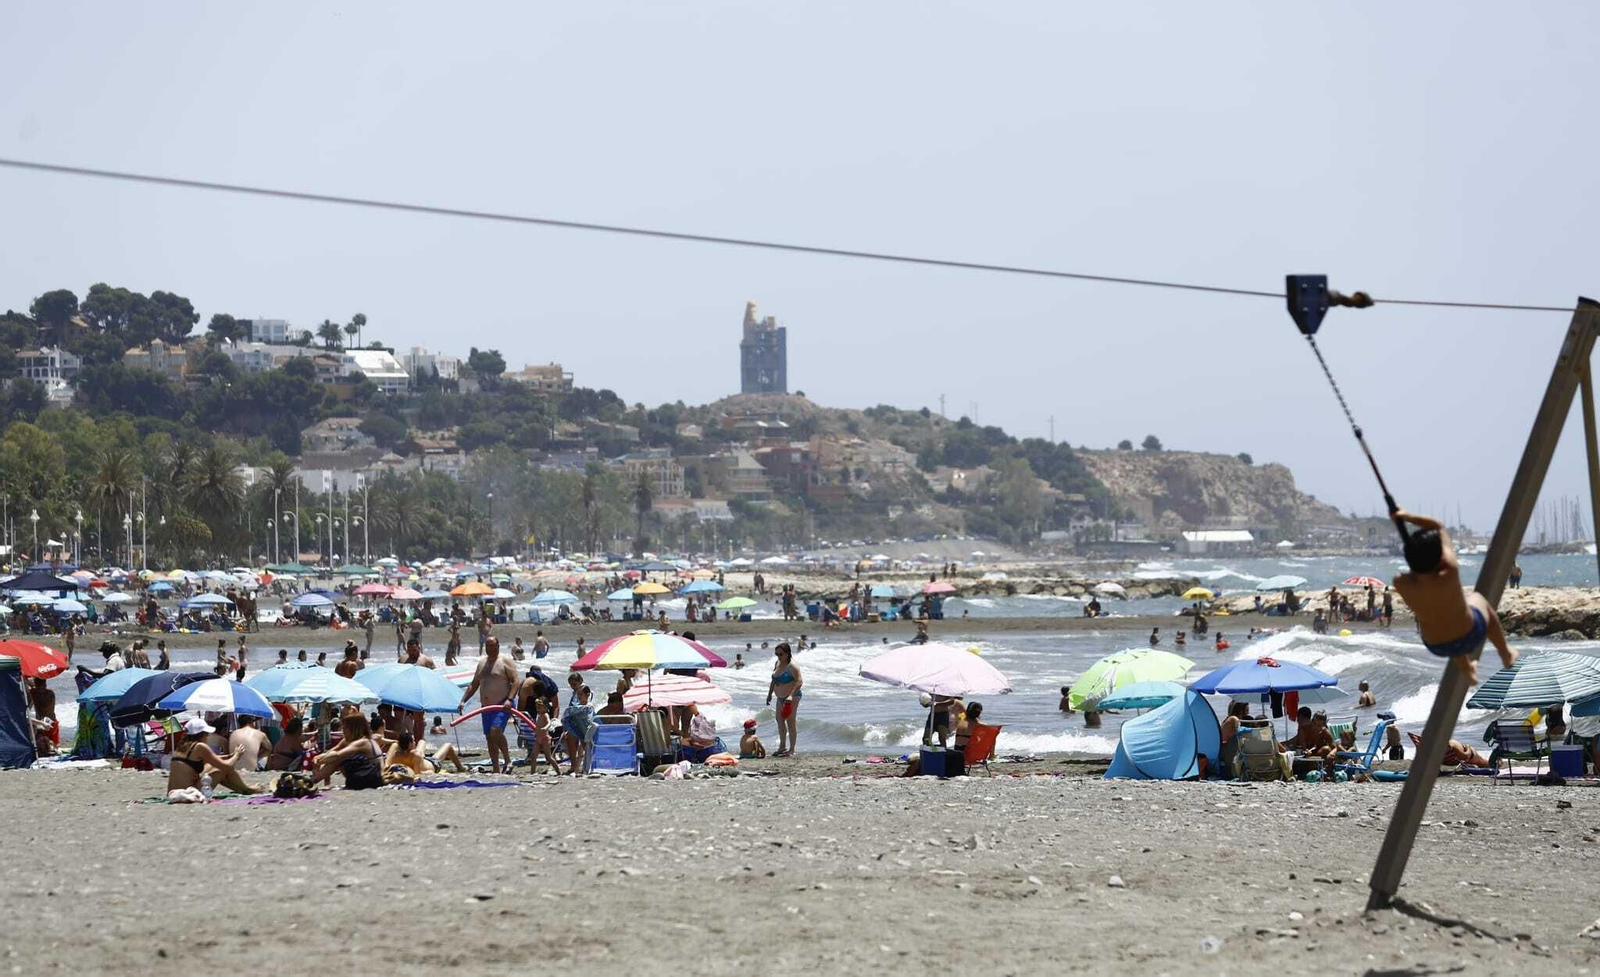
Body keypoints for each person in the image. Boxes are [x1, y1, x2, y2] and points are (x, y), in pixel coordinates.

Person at [1390, 510, 1517, 684]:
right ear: (1440, 558)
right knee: (1477, 599)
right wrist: (1405, 516)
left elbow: (1413, 572)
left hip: (1436, 645)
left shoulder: (1400, 583)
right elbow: (1438, 526)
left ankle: (1466, 668)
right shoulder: (1449, 570)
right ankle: (1505, 652)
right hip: (1470, 634)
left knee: (1442, 617)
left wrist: (1414, 554)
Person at [459, 636, 518, 774]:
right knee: (489, 737)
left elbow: (515, 682)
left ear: (498, 646)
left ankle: (508, 760)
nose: (490, 648)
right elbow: (474, 684)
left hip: (503, 703)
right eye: (488, 646)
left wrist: (510, 699)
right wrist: (463, 700)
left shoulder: (505, 661)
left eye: (493, 645)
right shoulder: (482, 663)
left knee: (495, 730)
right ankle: (496, 768)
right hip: (486, 707)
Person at [168, 716, 263, 798]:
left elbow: (212, 758)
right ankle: (248, 789)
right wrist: (237, 755)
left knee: (212, 766)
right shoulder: (200, 746)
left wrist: (230, 755)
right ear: (202, 734)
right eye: (207, 734)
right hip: (188, 793)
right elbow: (226, 766)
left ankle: (243, 789)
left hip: (172, 793)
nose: (208, 736)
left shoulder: (182, 747)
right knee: (223, 769)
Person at [312, 713, 384, 790]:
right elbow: (332, 751)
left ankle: (312, 781)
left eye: (345, 727)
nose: (342, 729)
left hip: (373, 777)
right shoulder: (349, 741)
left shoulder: (364, 742)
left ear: (353, 728)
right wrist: (318, 757)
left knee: (338, 759)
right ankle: (314, 780)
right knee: (333, 758)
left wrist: (320, 761)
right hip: (364, 774)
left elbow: (337, 755)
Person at [766, 642, 802, 757]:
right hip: (779, 697)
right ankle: (782, 746)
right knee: (780, 720)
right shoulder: (777, 663)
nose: (778, 657)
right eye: (776, 654)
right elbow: (774, 679)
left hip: (792, 698)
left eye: (781, 654)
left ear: (787, 654)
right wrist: (770, 694)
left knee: (790, 721)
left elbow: (799, 681)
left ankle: (792, 749)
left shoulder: (792, 666)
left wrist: (791, 696)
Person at [561, 685, 595, 775]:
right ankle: (576, 766)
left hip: (588, 731)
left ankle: (587, 766)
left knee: (587, 747)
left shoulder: (589, 707)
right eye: (578, 694)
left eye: (581, 694)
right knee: (570, 738)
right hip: (580, 731)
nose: (579, 696)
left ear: (587, 695)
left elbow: (590, 719)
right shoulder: (577, 707)